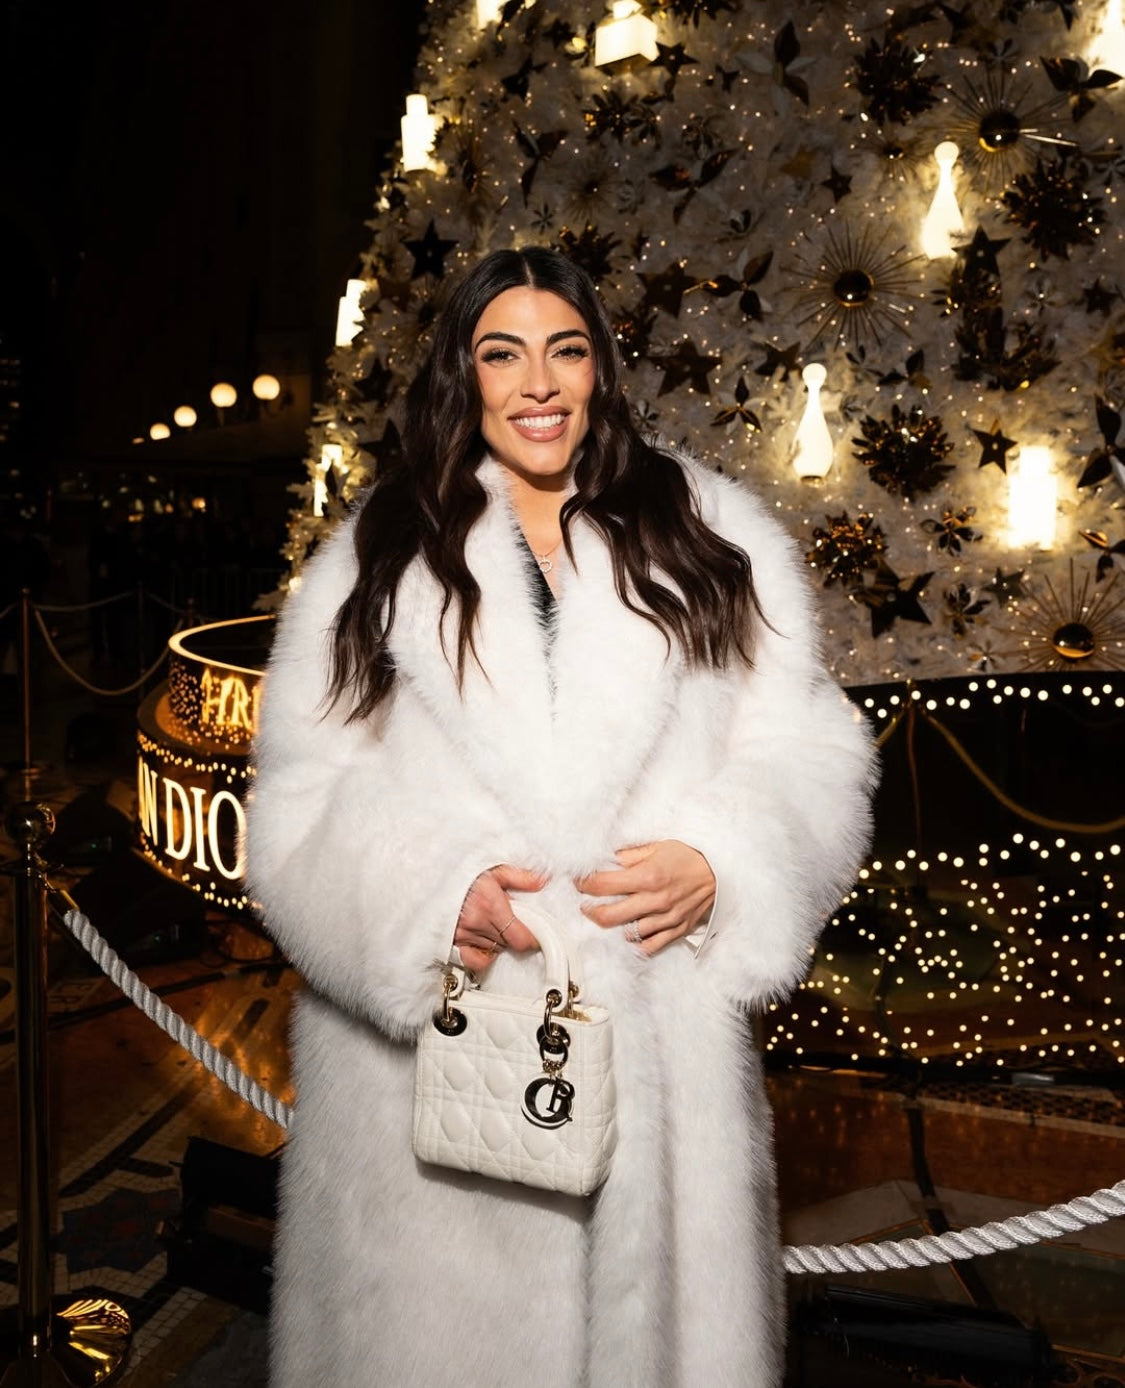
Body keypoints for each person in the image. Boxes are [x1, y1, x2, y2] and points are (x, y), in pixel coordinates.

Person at [244, 247, 876, 1387]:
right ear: (464, 374)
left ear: (599, 369)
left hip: (658, 1037)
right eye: (503, 354)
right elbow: (297, 799)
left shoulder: (708, 532)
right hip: (434, 1076)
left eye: (565, 350)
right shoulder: (379, 552)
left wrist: (724, 859)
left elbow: (808, 749)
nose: (537, 384)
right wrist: (426, 894)